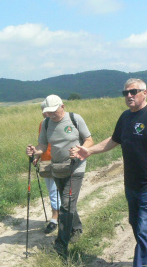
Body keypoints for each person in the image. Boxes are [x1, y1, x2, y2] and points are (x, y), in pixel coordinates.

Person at [70, 78, 147, 267]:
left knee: (145, 226)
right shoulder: (125, 117)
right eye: (126, 93)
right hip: (131, 181)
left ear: (145, 93)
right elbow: (113, 141)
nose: (129, 96)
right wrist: (89, 150)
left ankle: (141, 263)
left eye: (133, 92)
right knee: (135, 223)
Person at [26, 95, 94, 256]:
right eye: (48, 112)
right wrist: (35, 152)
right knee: (67, 203)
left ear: (62, 106)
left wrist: (79, 151)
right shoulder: (46, 123)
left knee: (66, 204)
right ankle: (76, 229)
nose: (51, 114)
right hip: (57, 168)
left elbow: (89, 140)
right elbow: (42, 145)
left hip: (75, 168)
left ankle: (61, 244)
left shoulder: (74, 118)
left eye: (54, 111)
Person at [34, 102, 60, 234]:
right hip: (45, 161)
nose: (45, 112)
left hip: (58, 162)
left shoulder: (58, 122)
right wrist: (36, 157)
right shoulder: (43, 124)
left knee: (55, 192)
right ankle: (59, 216)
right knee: (52, 191)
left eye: (47, 110)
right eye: (43, 110)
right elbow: (41, 144)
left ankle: (55, 219)